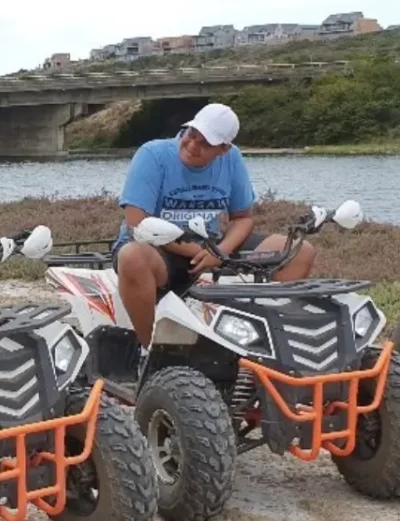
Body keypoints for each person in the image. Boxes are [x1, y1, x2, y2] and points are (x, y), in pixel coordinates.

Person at [111, 102, 316, 351]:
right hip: (157, 247)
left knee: (299, 251)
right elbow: (136, 224)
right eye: (191, 134)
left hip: (213, 245)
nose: (192, 145)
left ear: (223, 149)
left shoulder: (232, 158)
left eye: (205, 143)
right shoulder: (153, 155)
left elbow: (242, 218)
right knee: (131, 256)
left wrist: (220, 251)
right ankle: (151, 351)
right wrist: (199, 253)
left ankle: (266, 344)